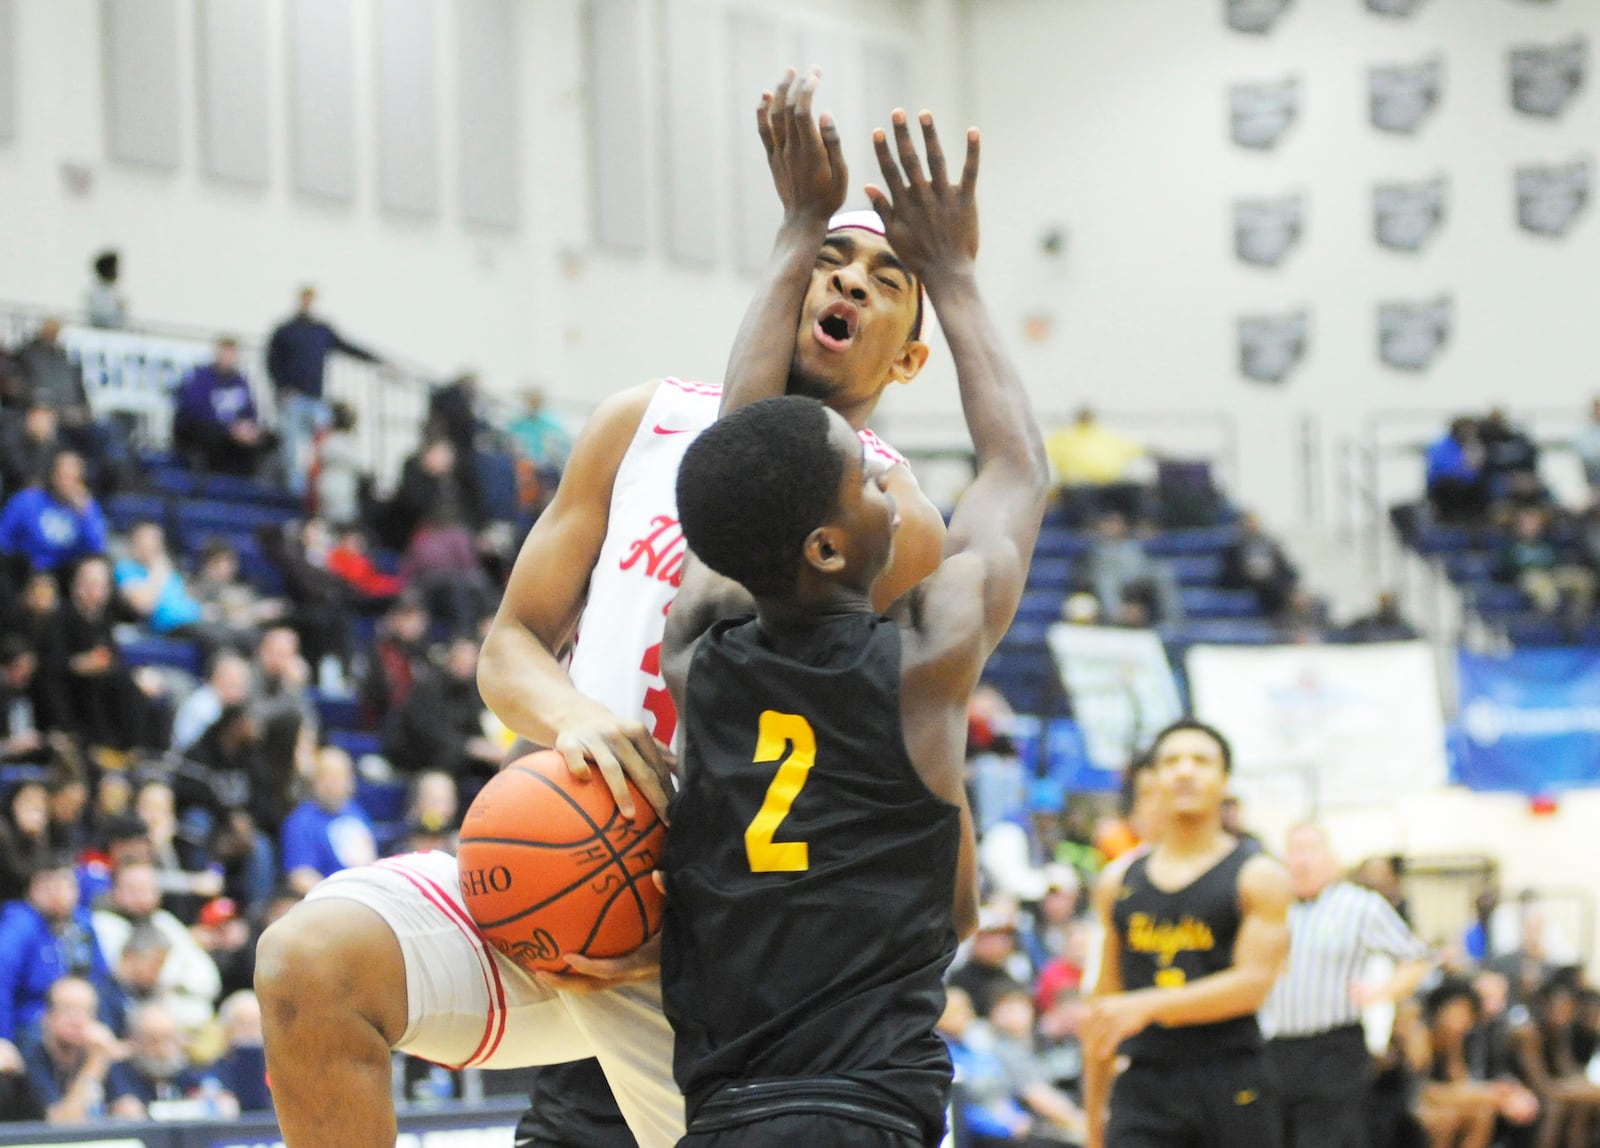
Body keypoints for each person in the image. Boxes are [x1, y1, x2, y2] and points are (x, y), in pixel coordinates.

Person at [255, 71, 950, 1148]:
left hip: (720, 947)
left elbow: (749, 496)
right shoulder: (638, 421)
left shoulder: (890, 511)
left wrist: (797, 226)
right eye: (829, 260)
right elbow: (509, 648)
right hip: (559, 863)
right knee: (308, 962)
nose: (847, 283)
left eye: (886, 277)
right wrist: (572, 715)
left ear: (907, 353)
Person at [654, 82, 1044, 1146]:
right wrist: (954, 277)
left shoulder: (699, 652)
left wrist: (793, 234)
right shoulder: (924, 657)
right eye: (868, 485)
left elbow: (741, 468)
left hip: (721, 1111)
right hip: (865, 1109)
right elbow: (1014, 467)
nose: (890, 487)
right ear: (828, 545)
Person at [1082, 719, 1293, 1148]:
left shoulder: (1257, 876)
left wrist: (1147, 1005)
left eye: (1200, 761)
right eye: (1172, 761)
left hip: (1231, 1076)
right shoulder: (1116, 883)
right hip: (1145, 1082)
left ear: (1225, 780)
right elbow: (1104, 1008)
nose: (1184, 771)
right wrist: (1092, 1124)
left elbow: (1253, 985)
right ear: (1153, 780)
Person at [1264, 821, 1431, 1148]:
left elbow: (1415, 958)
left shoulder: (1359, 906)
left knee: (1323, 1139)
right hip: (1275, 1047)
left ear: (1331, 858)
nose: (1301, 861)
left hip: (1334, 1047)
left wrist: (1380, 994)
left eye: (1310, 850)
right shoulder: (1271, 906)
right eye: (1294, 851)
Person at [266, 287, 383, 496]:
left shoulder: (321, 330)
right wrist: (282, 388)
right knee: (293, 446)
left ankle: (314, 490)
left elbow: (348, 347)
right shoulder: (285, 330)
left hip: (316, 399)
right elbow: (272, 361)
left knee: (325, 446)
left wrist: (379, 361)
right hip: (294, 399)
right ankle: (295, 491)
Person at [0, 855, 122, 1046]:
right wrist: (3, 1039)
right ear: (32, 891)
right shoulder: (20, 925)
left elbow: (101, 977)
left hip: (82, 1016)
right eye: (49, 887)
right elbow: (2, 982)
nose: (58, 895)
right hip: (33, 1019)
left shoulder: (83, 923)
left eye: (66, 886)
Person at [16, 976, 136, 1123]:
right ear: (47, 1017)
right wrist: (95, 1063)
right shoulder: (32, 1057)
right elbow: (63, 1123)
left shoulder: (96, 1050)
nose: (77, 1020)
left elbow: (130, 1109)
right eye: (68, 1010)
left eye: (86, 1011)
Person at [279, 746, 377, 895]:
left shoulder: (357, 814)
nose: (334, 785)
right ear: (315, 782)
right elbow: (300, 876)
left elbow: (370, 862)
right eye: (327, 777)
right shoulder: (300, 822)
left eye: (340, 777)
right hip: (326, 902)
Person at [172, 338, 273, 476]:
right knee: (214, 435)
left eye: (231, 354)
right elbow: (195, 410)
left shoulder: (240, 381)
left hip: (234, 434)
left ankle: (247, 482)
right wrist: (229, 428)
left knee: (268, 439)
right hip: (206, 431)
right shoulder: (201, 377)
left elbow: (250, 411)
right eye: (224, 354)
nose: (227, 358)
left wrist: (248, 427)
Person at [0, 451, 107, 575]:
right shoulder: (27, 500)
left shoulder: (87, 507)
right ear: (52, 475)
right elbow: (3, 538)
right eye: (61, 476)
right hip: (26, 569)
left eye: (72, 478)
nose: (65, 483)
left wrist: (85, 516)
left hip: (65, 573)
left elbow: (97, 548)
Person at [1045, 407, 1154, 526]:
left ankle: (1145, 527)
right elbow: (1041, 453)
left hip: (1111, 483)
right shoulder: (1063, 437)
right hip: (1080, 485)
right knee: (1082, 494)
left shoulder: (1106, 435)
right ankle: (1092, 527)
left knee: (1134, 490)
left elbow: (1137, 449)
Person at [1426, 418, 1489, 524]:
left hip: (1466, 483)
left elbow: (1475, 470)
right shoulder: (1440, 446)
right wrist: (1465, 469)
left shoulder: (1473, 445)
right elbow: (1443, 469)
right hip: (1443, 484)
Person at [85, 251, 127, 330]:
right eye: (114, 269)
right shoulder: (96, 292)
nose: (117, 272)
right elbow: (103, 319)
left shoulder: (115, 291)